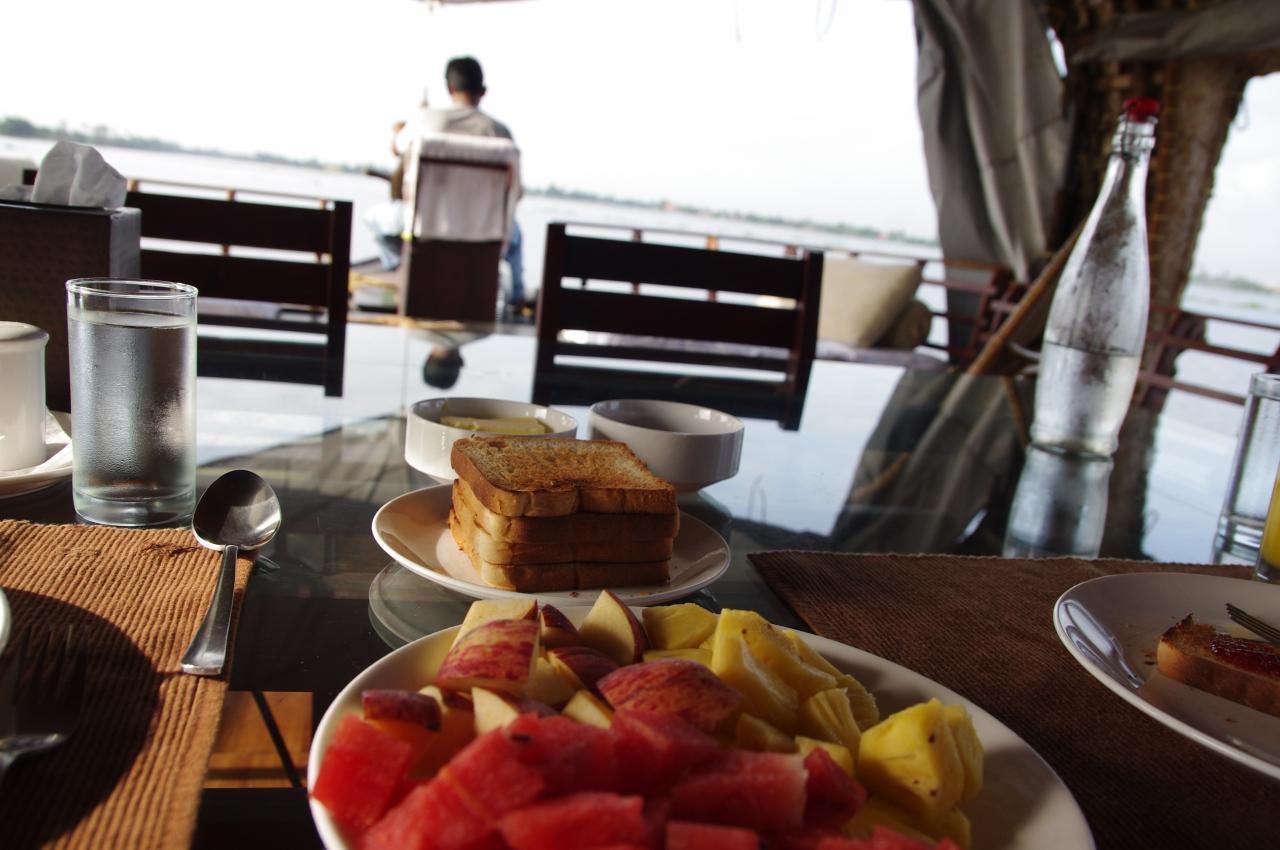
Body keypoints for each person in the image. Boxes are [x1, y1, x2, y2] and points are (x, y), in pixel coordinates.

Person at [421, 56, 526, 310]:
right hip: (486, 236)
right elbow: (517, 192)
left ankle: (399, 271)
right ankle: (517, 299)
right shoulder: (501, 134)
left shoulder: (426, 121)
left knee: (376, 220)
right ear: (483, 91)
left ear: (449, 88)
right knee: (516, 234)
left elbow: (397, 148)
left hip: (427, 229)